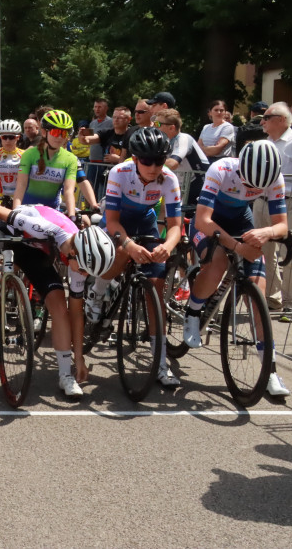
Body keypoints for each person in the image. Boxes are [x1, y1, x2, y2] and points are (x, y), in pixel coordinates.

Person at [0, 204, 115, 397]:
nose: (82, 274)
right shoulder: (42, 226)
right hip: (10, 231)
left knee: (60, 307)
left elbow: (76, 314)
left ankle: (65, 375)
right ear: (74, 252)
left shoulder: (79, 258)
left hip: (34, 249)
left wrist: (78, 358)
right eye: (82, 270)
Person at [183, 140, 291, 396]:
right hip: (209, 222)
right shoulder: (221, 169)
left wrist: (266, 232)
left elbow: (282, 226)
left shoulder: (275, 178)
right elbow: (202, 219)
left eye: (257, 188)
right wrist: (236, 247)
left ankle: (270, 370)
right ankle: (193, 311)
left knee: (257, 297)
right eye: (248, 183)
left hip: (241, 220)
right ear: (241, 168)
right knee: (218, 261)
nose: (251, 189)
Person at [84, 126, 183, 386]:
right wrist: (129, 245)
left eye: (159, 161)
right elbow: (113, 222)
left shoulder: (169, 179)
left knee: (156, 290)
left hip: (146, 221)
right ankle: (97, 290)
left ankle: (160, 363)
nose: (153, 166)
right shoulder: (120, 172)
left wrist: (167, 247)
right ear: (135, 159)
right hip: (118, 220)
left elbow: (174, 225)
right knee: (118, 252)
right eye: (147, 161)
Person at [256, 102, 292, 320]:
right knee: (264, 250)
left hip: (290, 203)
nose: (262, 121)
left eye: (267, 117)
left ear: (282, 120)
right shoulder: (266, 142)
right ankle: (272, 298)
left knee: (288, 254)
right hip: (263, 200)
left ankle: (291, 303)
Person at [12, 110, 79, 217]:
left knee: (85, 221)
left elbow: (68, 191)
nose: (59, 137)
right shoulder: (29, 154)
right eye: (55, 132)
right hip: (27, 211)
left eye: (64, 133)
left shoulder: (71, 159)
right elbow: (21, 186)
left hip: (52, 213)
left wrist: (72, 216)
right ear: (44, 132)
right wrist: (15, 213)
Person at [156, 109, 210, 205]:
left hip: (199, 184)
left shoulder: (183, 138)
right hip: (184, 185)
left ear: (172, 128)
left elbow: (173, 164)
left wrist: (149, 160)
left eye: (158, 124)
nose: (154, 127)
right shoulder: (164, 141)